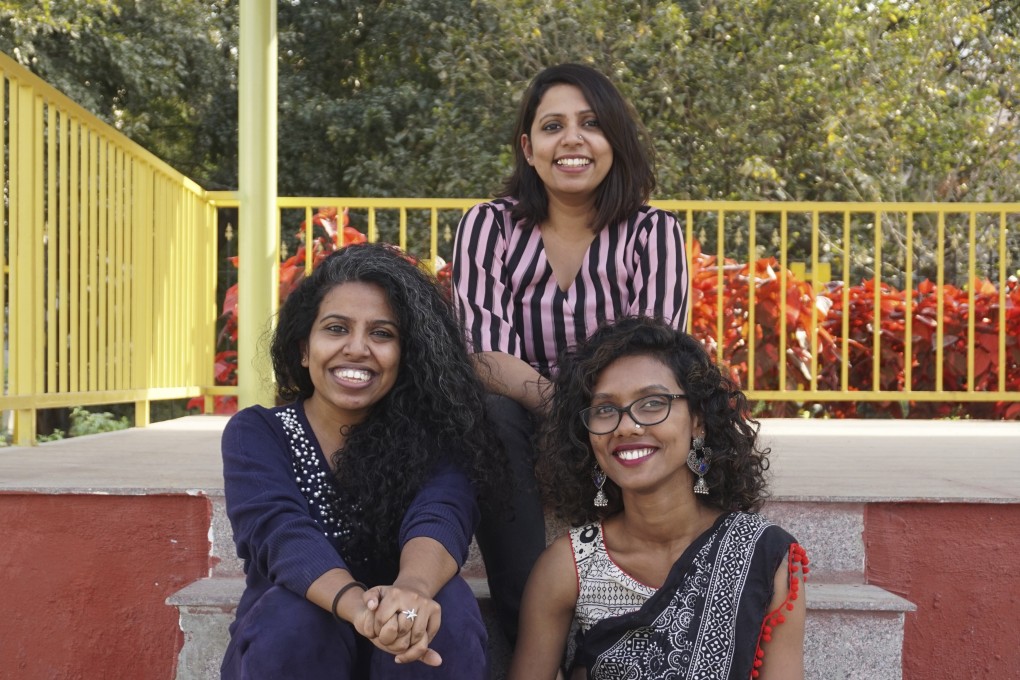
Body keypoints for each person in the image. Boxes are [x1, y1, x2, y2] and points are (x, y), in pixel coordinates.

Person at [451, 63, 689, 646]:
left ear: (615, 142)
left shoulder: (652, 233)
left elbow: (654, 356)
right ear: (529, 149)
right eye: (553, 126)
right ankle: (531, 628)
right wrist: (564, 407)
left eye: (591, 124)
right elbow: (485, 354)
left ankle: (654, 617)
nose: (573, 140)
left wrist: (599, 414)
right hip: (522, 420)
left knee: (656, 409)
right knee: (489, 413)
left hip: (619, 420)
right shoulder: (490, 226)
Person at [220, 243, 503, 679]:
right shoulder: (258, 433)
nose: (357, 348)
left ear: (408, 355)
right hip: (299, 645)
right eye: (336, 329)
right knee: (293, 616)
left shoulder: (438, 434)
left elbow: (442, 514)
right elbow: (281, 534)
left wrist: (409, 594)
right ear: (302, 348)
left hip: (402, 647)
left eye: (382, 334)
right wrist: (361, 611)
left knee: (447, 609)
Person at [510, 316, 808, 680]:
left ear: (698, 420)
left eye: (652, 403)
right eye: (605, 410)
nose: (626, 426)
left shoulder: (760, 555)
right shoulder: (570, 566)